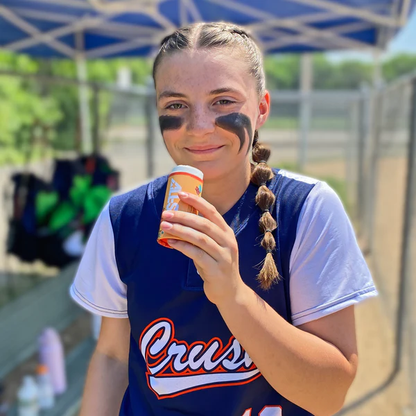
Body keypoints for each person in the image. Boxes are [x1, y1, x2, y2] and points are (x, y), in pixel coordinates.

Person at [70, 22, 377, 416]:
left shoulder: (306, 210)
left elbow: (328, 396)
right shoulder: (124, 218)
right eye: (175, 105)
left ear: (261, 107)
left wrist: (234, 296)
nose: (199, 126)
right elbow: (113, 356)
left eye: (223, 101)